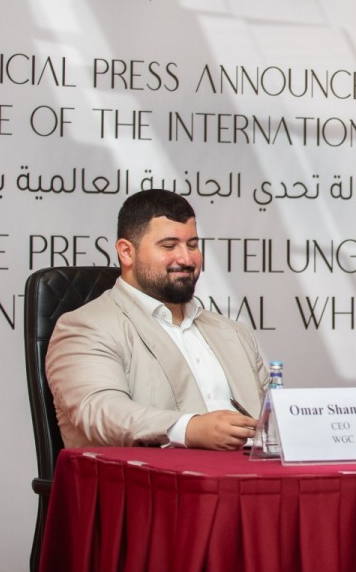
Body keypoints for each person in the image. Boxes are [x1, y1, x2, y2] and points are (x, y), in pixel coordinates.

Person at [46, 190, 268, 449]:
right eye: (169, 246)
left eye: (193, 245)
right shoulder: (85, 328)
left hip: (253, 481)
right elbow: (100, 412)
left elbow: (275, 419)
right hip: (148, 486)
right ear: (126, 252)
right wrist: (190, 428)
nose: (186, 259)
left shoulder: (234, 333)